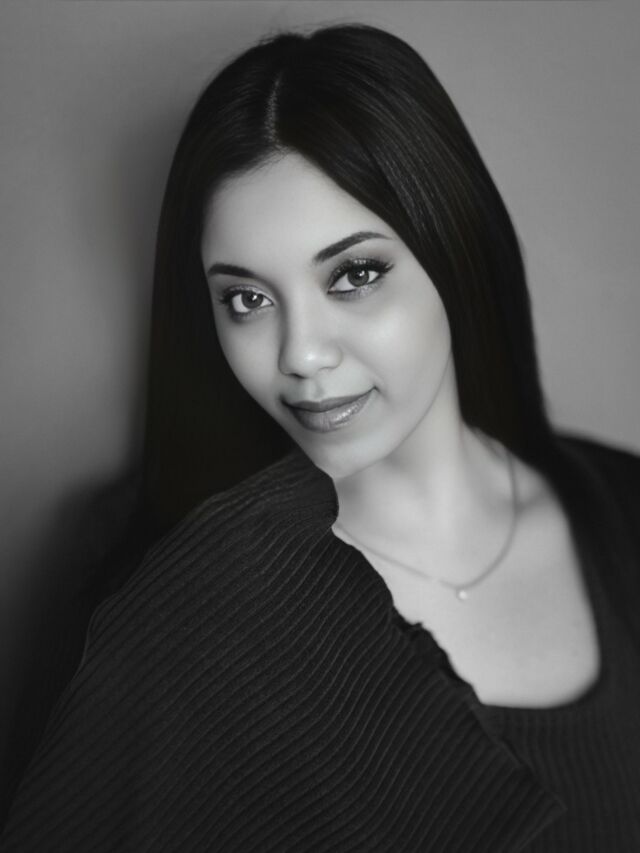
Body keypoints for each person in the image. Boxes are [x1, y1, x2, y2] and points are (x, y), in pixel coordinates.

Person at [2, 21, 640, 852]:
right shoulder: (178, 596)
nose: (300, 354)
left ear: (452, 246)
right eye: (247, 299)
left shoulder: (625, 512)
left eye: (355, 275)